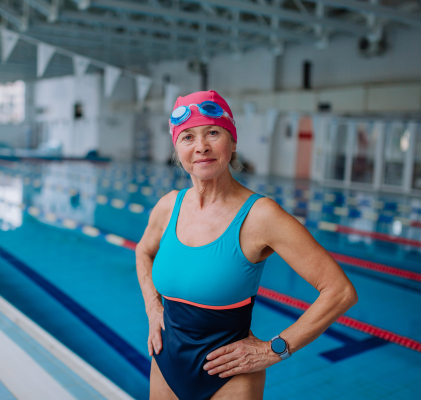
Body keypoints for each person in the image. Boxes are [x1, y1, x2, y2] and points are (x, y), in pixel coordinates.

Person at [135, 90, 358, 400]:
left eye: (213, 132)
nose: (201, 147)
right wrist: (152, 306)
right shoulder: (168, 207)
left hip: (231, 378)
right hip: (165, 364)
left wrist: (275, 349)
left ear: (233, 142)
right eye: (188, 137)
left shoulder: (261, 215)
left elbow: (340, 291)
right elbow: (143, 251)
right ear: (177, 148)